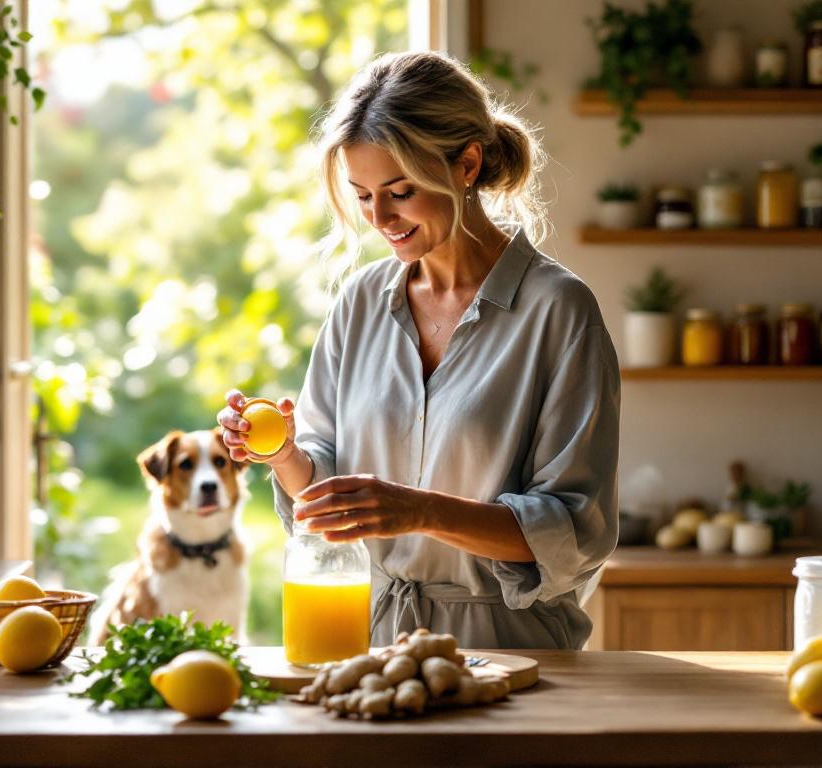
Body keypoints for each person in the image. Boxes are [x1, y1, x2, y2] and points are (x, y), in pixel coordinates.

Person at [216, 50, 619, 650]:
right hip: (366, 641)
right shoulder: (359, 303)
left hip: (510, 647)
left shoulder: (559, 311)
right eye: (361, 196)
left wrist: (421, 511)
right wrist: (282, 455)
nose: (380, 217)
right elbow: (330, 494)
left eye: (400, 192)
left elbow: (575, 529)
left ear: (467, 165)